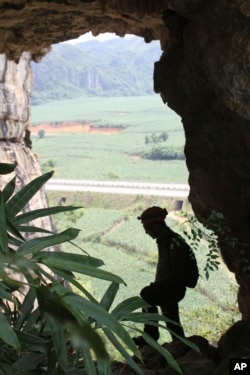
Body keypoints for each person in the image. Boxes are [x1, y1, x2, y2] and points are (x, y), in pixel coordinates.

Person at [134, 206, 189, 346]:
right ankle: (179, 344)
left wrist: (158, 286)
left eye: (147, 229)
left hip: (172, 287)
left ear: (156, 226)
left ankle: (150, 337)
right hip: (168, 287)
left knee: (146, 295)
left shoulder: (173, 241)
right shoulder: (166, 240)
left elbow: (178, 272)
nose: (147, 233)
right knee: (172, 320)